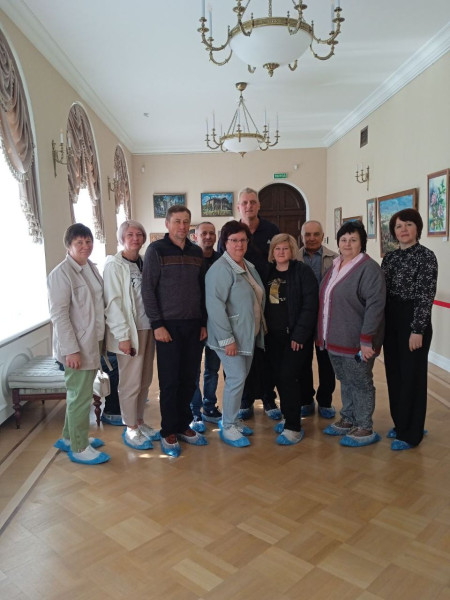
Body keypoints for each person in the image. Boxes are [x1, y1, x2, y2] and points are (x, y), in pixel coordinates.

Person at [142, 205, 208, 457]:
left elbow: (201, 289)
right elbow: (148, 289)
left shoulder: (196, 252)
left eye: (186, 222)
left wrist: (203, 322)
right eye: (177, 221)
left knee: (189, 378)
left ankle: (183, 425)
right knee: (169, 381)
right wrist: (157, 324)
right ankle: (168, 430)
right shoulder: (156, 250)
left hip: (193, 325)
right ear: (167, 224)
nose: (182, 226)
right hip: (167, 326)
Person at [319, 221, 385, 447]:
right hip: (334, 338)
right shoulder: (336, 265)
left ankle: (364, 426)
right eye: (344, 239)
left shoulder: (369, 269)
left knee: (361, 382)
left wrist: (367, 340)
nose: (347, 244)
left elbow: (375, 306)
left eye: (353, 240)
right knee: (345, 380)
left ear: (362, 242)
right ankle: (348, 418)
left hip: (357, 341)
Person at [48, 223, 110, 465]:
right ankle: (79, 446)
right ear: (69, 246)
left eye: (88, 241)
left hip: (92, 342)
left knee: (80, 394)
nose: (85, 246)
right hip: (76, 348)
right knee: (80, 397)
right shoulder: (61, 274)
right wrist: (71, 350)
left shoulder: (90, 267)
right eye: (79, 242)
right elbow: (59, 316)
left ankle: (68, 437)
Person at [218, 187, 280, 420]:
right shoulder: (230, 231)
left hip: (266, 300)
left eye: (253, 202)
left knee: (266, 352)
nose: (249, 206)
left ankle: (268, 398)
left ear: (259, 205)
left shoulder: (271, 230)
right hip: (237, 302)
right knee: (240, 351)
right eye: (244, 202)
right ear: (238, 207)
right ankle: (244, 400)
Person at [206, 220, 266, 448]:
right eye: (234, 240)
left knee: (240, 379)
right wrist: (227, 340)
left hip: (247, 334)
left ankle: (232, 420)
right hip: (229, 338)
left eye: (243, 240)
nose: (239, 244)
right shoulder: (220, 269)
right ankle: (228, 426)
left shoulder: (247, 265)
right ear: (225, 242)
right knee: (236, 378)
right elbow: (215, 307)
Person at [381, 208, 438, 451]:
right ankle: (401, 423)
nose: (403, 229)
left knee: (412, 376)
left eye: (408, 224)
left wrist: (418, 329)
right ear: (393, 232)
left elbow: (425, 296)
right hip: (391, 319)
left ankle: (412, 433)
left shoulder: (426, 256)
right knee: (394, 374)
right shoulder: (390, 258)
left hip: (413, 319)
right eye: (398, 226)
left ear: (417, 228)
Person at [103, 220, 160, 451]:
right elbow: (113, 303)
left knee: (145, 379)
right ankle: (130, 427)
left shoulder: (145, 261)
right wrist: (123, 336)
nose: (135, 238)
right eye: (130, 235)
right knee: (130, 382)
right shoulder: (114, 265)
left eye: (139, 234)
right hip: (129, 331)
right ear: (121, 238)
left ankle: (140, 421)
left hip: (148, 328)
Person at [265, 234, 318, 445]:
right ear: (272, 252)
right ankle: (288, 416)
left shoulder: (302, 271)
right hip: (272, 336)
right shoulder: (267, 272)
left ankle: (294, 427)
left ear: (292, 250)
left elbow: (310, 305)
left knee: (288, 377)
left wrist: (299, 334)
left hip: (295, 337)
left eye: (285, 248)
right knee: (278, 378)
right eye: (277, 249)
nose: (281, 252)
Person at [298, 220, 337, 419]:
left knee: (326, 362)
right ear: (301, 236)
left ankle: (325, 401)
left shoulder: (335, 259)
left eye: (316, 234)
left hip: (326, 319)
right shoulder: (294, 257)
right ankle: (306, 399)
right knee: (302, 361)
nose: (312, 238)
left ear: (323, 236)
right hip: (302, 318)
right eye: (307, 234)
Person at [190, 222, 222, 432]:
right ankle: (195, 410)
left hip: (217, 323)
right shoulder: (190, 259)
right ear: (196, 236)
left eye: (211, 233)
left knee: (213, 369)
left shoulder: (222, 260)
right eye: (204, 233)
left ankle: (209, 406)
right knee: (193, 370)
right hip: (194, 322)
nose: (208, 237)